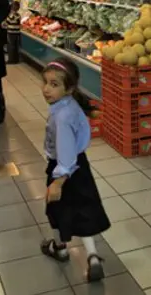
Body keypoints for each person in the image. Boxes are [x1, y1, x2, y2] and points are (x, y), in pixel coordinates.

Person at [39, 57, 111, 282]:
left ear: (68, 88)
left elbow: (66, 153)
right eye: (46, 82)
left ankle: (59, 248)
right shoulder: (71, 104)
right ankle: (93, 257)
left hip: (64, 168)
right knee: (84, 210)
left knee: (57, 210)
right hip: (82, 167)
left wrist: (58, 181)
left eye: (54, 84)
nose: (46, 89)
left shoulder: (62, 117)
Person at [5, 0, 22, 64]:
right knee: (15, 46)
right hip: (17, 32)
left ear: (11, 8)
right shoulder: (19, 15)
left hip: (11, 32)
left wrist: (3, 24)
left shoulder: (11, 16)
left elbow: (7, 22)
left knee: (10, 46)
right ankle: (16, 59)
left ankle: (11, 60)